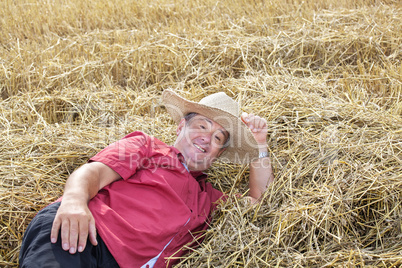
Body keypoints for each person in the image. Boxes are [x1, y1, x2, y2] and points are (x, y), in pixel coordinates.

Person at [19, 89, 274, 268]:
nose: (207, 138)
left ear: (218, 154)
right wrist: (74, 202)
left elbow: (259, 201)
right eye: (202, 126)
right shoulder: (146, 146)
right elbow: (94, 173)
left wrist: (260, 143)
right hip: (87, 234)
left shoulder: (207, 199)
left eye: (218, 138)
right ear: (180, 127)